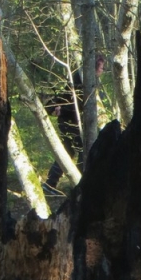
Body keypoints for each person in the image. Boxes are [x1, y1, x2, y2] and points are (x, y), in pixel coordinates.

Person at [44, 55, 106, 190]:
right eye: (101, 67)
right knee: (81, 150)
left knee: (69, 150)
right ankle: (77, 184)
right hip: (69, 121)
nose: (103, 71)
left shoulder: (85, 78)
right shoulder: (80, 80)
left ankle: (51, 183)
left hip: (69, 120)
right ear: (95, 67)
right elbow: (73, 103)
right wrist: (63, 110)